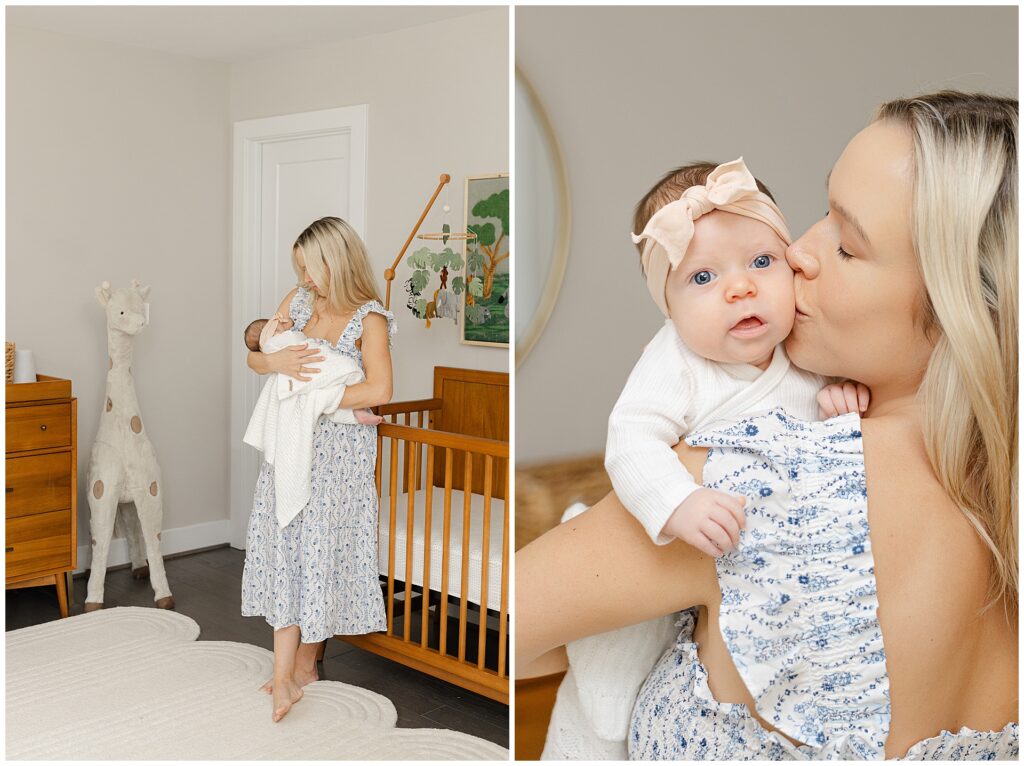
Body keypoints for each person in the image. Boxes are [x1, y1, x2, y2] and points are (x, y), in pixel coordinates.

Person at [517, 91, 1018, 759]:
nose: (796, 250)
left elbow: (507, 629)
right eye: (819, 211)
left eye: (845, 241)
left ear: (962, 305)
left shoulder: (756, 480)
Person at [607, 156, 866, 556]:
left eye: (761, 262)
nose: (741, 288)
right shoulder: (674, 359)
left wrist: (838, 404)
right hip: (700, 552)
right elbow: (630, 440)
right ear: (670, 308)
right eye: (704, 276)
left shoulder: (805, 343)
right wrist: (678, 501)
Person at [240, 216, 396, 723]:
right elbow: (258, 356)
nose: (304, 279)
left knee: (320, 551)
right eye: (300, 269)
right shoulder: (300, 301)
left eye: (311, 269)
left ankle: (303, 666)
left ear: (337, 262)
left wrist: (314, 396)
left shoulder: (369, 320)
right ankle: (291, 669)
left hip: (339, 454)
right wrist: (279, 367)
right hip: (292, 443)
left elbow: (379, 390)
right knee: (286, 543)